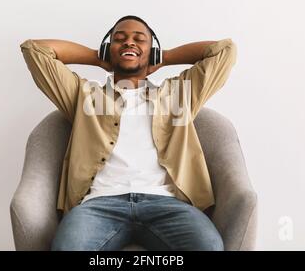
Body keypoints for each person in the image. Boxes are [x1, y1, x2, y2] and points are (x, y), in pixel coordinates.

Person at [19, 15, 237, 250]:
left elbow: (225, 50)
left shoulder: (179, 94)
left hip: (168, 205)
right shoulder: (84, 96)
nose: (129, 43)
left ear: (151, 50)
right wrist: (98, 57)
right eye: (119, 39)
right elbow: (35, 50)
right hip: (98, 205)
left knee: (209, 247)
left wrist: (163, 58)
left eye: (139, 39)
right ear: (107, 49)